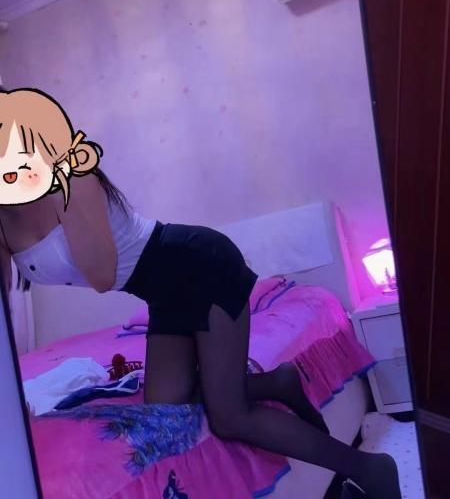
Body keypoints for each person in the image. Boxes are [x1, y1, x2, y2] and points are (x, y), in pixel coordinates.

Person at [0, 88, 401, 499]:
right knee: (165, 411)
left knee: (230, 418)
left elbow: (101, 276)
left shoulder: (73, 180)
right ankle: (276, 383)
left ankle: (371, 469)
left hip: (199, 264)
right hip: (163, 293)